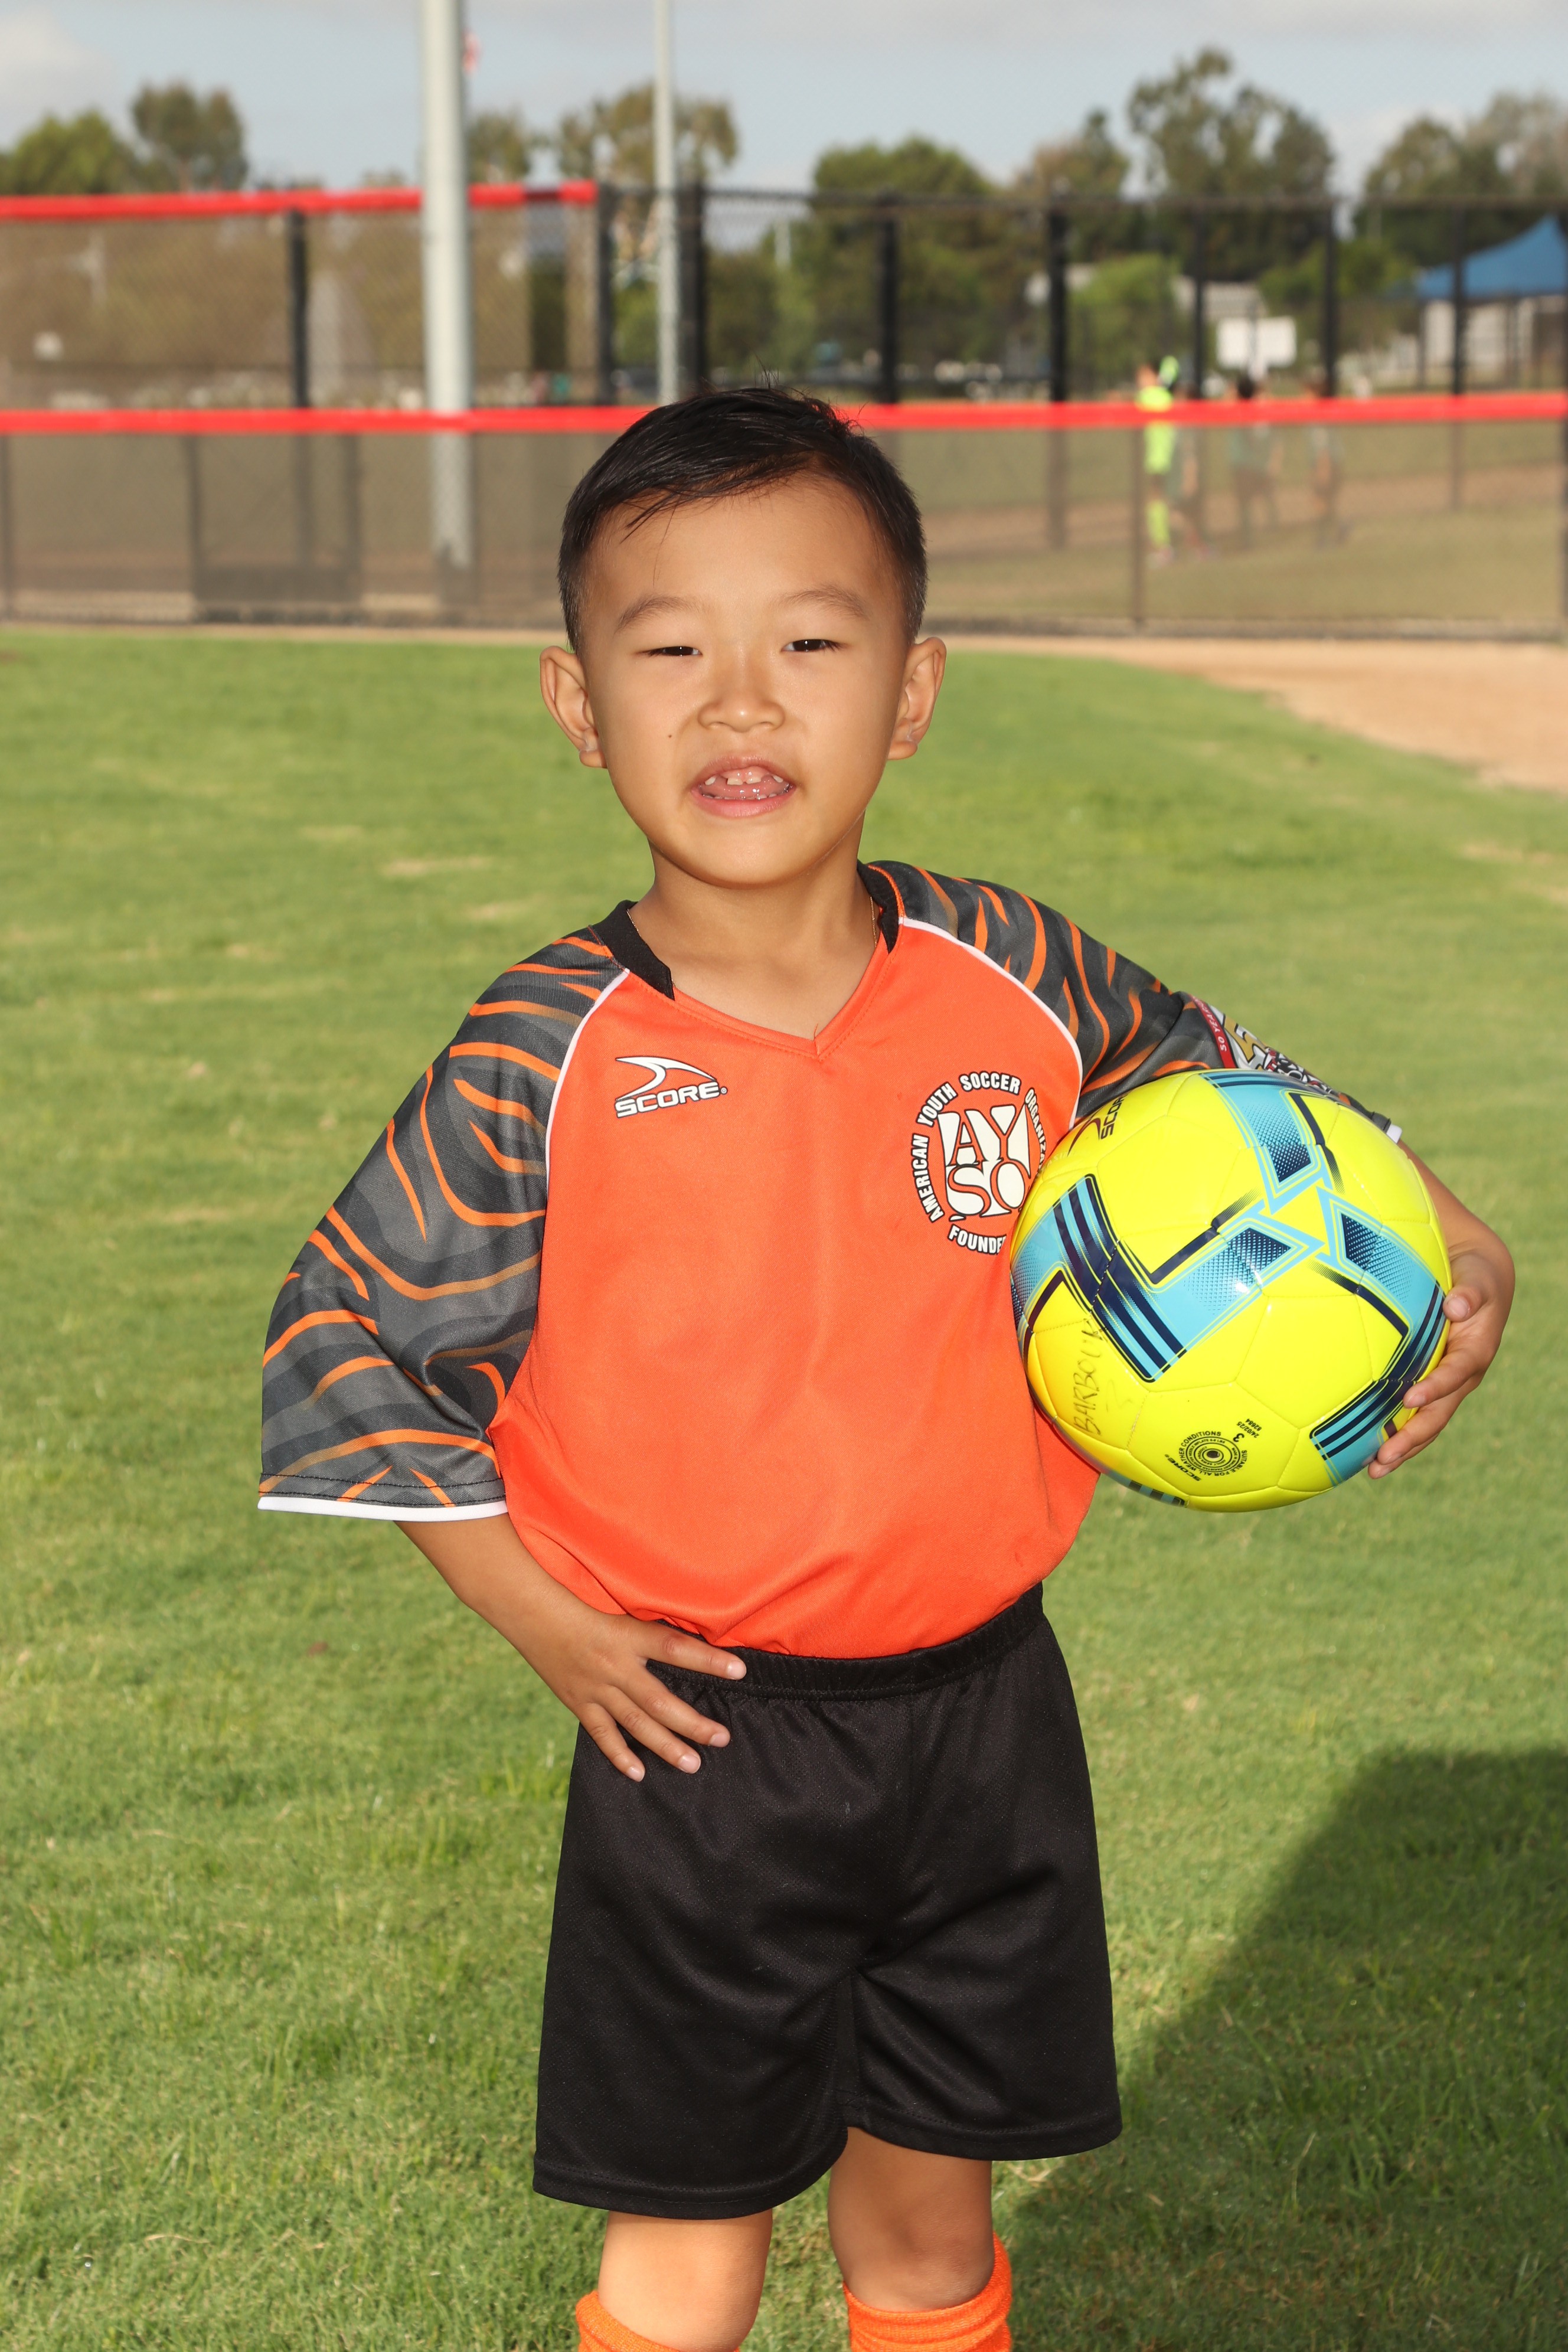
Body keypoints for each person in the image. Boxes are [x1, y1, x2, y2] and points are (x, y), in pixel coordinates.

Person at [258, 387, 1514, 2352]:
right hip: (696, 1739)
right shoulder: (540, 1048)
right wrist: (551, 1628)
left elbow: (1225, 1077)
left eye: (809, 643)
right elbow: (347, 1333)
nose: (739, 704)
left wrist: (1442, 1228)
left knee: (927, 2229)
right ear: (578, 705)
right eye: (669, 652)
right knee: (688, 2261)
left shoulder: (1013, 970)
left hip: (985, 1717)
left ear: (910, 690)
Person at [1226, 369, 1280, 548]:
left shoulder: (1248, 408)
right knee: (1250, 500)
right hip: (1245, 463)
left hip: (1248, 464)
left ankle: (1251, 536)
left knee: (1249, 500)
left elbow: (1256, 437)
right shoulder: (1243, 406)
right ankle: (1252, 535)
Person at [1135, 355, 1178, 564]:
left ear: (1155, 376)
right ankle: (1165, 544)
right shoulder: (1166, 397)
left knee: (1156, 501)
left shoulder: (1149, 396)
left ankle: (1163, 546)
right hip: (1166, 457)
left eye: (1144, 375)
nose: (1140, 380)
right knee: (1163, 500)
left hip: (1157, 458)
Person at [1307, 368, 1349, 547]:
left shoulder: (1319, 414)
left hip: (1326, 464)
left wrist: (1322, 470)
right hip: (1332, 463)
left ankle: (1322, 538)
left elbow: (1323, 448)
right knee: (1327, 502)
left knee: (1320, 502)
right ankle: (1340, 529)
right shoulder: (1325, 410)